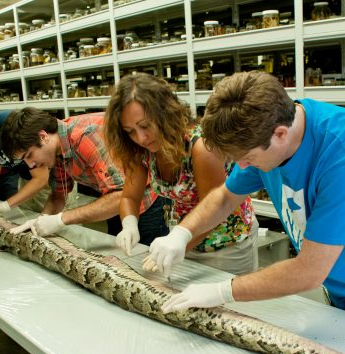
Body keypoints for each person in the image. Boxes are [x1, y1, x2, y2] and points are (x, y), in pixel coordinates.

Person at [153, 71, 345, 333]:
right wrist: (182, 233)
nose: (242, 165)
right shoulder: (263, 133)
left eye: (247, 158)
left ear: (280, 134)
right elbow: (227, 196)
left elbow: (309, 272)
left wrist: (223, 291)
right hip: (339, 278)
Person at [104, 73, 258, 274]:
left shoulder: (200, 147)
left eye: (145, 125)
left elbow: (215, 210)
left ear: (165, 114)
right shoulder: (142, 150)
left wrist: (179, 243)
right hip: (184, 237)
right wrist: (129, 225)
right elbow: (130, 197)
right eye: (130, 131)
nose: (140, 138)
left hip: (226, 243)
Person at [3, 107, 167, 245]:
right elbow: (58, 194)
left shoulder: (86, 136)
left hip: (144, 206)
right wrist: (41, 221)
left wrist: (61, 220)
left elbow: (120, 196)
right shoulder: (57, 151)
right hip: (114, 209)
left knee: (149, 266)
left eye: (29, 155)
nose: (31, 165)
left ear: (43, 137)